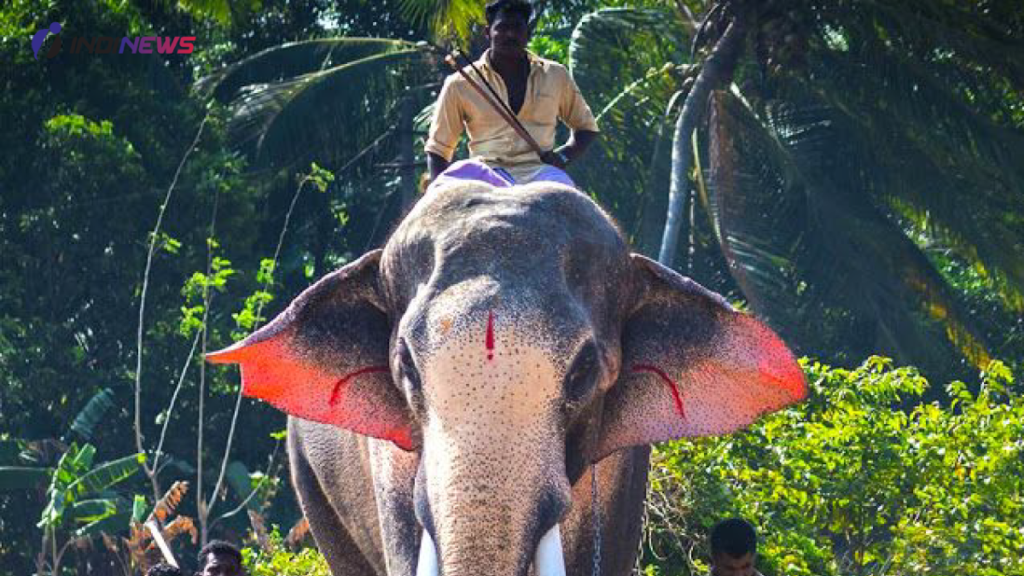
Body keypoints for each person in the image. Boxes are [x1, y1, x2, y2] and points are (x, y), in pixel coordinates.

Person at [425, 0, 599, 190]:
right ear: (488, 32)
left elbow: (586, 128)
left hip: (541, 172)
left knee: (572, 206)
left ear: (528, 32)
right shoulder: (459, 83)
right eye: (502, 27)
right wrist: (437, 196)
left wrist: (563, 156)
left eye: (517, 27)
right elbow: (438, 150)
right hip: (483, 172)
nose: (510, 34)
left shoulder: (556, 75)